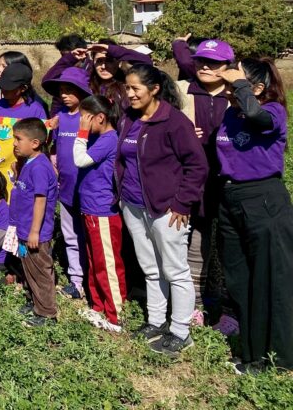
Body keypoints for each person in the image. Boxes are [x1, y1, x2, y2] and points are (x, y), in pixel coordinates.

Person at [116, 63, 208, 357]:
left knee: (175, 270)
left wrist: (182, 202)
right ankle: (156, 321)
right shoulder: (129, 119)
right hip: (133, 204)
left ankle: (181, 331)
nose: (128, 94)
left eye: (135, 89)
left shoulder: (174, 121)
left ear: (154, 89)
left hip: (167, 209)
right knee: (150, 268)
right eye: (126, 88)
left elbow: (197, 166)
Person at [214, 58, 293, 372]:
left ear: (257, 87)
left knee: (272, 279)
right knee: (241, 280)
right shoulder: (231, 113)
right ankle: (252, 353)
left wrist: (241, 86)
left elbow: (257, 117)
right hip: (231, 198)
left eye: (241, 80)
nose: (231, 84)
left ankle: (281, 359)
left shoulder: (272, 110)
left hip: (263, 200)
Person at [170, 35, 233, 324]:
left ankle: (219, 294)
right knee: (194, 237)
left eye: (214, 63)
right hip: (188, 180)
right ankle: (193, 301)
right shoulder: (183, 90)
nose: (206, 67)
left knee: (221, 240)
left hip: (225, 180)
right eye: (201, 61)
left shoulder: (235, 95)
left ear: (227, 66)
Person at [72, 94, 125, 332]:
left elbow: (80, 160)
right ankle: (98, 306)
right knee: (94, 261)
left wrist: (82, 133)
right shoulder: (98, 137)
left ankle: (115, 315)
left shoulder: (108, 138)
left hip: (102, 211)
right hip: (91, 209)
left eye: (85, 118)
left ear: (100, 118)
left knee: (108, 263)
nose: (81, 123)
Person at [42, 66, 92, 300]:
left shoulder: (90, 118)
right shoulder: (60, 118)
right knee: (71, 235)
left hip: (88, 189)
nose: (64, 95)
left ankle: (93, 281)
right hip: (66, 188)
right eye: (61, 91)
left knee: (90, 237)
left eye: (70, 90)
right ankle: (76, 280)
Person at [8, 118, 58, 326]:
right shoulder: (29, 164)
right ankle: (34, 301)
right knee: (28, 268)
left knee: (40, 270)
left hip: (34, 232)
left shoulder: (39, 167)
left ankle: (46, 313)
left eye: (19, 139)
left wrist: (35, 232)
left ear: (35, 143)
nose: (14, 143)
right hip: (24, 228)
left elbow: (40, 200)